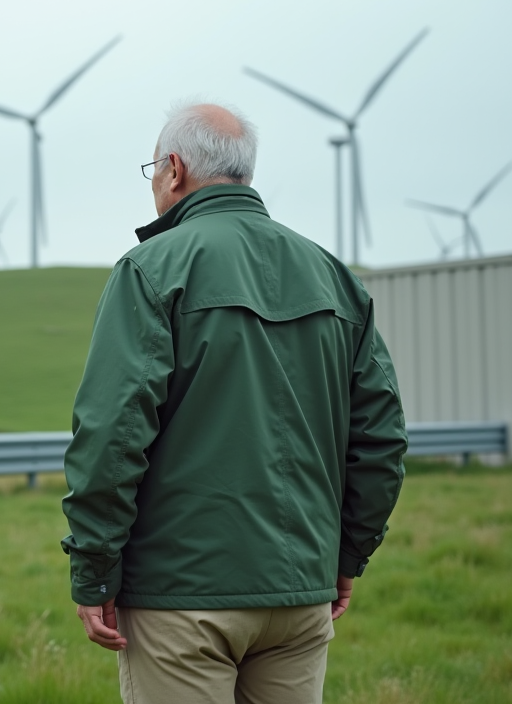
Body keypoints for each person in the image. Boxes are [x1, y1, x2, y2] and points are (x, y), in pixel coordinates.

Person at [61, 102, 408, 704]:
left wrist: (94, 570)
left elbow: (112, 435)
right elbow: (382, 439)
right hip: (301, 596)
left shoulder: (151, 271)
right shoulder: (335, 277)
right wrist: (347, 554)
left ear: (174, 169)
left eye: (152, 170)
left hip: (182, 599)